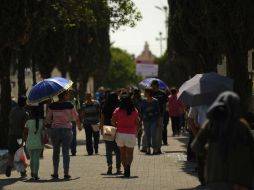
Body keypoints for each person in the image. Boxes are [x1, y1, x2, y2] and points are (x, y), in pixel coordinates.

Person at [192, 91, 254, 190]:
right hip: (239, 180)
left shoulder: (210, 125)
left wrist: (208, 153)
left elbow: (196, 147)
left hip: (215, 177)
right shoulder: (242, 126)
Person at [46, 90, 82, 179]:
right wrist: (79, 126)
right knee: (66, 152)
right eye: (67, 94)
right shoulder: (70, 105)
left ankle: (55, 173)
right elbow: (76, 117)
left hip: (55, 131)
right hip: (67, 130)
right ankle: (66, 173)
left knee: (56, 152)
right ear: (64, 95)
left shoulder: (52, 106)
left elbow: (48, 119)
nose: (69, 95)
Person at [112, 95, 139, 177]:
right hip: (131, 134)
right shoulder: (134, 110)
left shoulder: (117, 110)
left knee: (122, 153)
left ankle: (125, 170)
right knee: (130, 153)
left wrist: (117, 124)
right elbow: (137, 122)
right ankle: (128, 166)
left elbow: (113, 121)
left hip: (120, 134)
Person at [6, 95, 29, 178]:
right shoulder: (25, 113)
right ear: (25, 103)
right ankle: (22, 171)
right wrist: (25, 138)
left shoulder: (12, 110)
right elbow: (25, 127)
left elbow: (10, 121)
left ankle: (9, 165)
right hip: (20, 136)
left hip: (11, 134)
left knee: (11, 153)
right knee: (20, 154)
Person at [100, 91, 121, 175]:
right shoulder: (119, 105)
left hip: (107, 128)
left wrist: (101, 128)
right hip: (117, 128)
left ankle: (109, 166)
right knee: (117, 149)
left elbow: (102, 118)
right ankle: (118, 167)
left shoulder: (105, 105)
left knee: (108, 149)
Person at [187, 104, 209, 185]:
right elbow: (190, 118)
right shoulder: (197, 100)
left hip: (216, 131)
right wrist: (196, 135)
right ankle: (203, 180)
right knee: (201, 157)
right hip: (202, 130)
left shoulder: (217, 97)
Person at [23, 105, 44, 180]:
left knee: (32, 158)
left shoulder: (28, 122)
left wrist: (23, 141)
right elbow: (43, 131)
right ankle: (36, 174)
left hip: (29, 142)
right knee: (36, 159)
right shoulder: (41, 121)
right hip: (39, 142)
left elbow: (25, 132)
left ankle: (32, 172)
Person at [140, 87, 160, 154]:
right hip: (146, 120)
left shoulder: (155, 101)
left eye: (145, 92)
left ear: (149, 93)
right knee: (147, 134)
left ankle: (154, 148)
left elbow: (158, 111)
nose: (144, 94)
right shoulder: (143, 101)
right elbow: (141, 111)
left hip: (153, 120)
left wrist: (153, 113)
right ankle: (148, 148)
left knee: (153, 134)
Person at [150, 80, 168, 154]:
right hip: (151, 116)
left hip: (160, 116)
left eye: (153, 86)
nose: (152, 87)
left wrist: (162, 114)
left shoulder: (162, 93)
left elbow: (164, 105)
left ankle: (158, 148)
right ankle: (154, 148)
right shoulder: (150, 93)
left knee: (159, 132)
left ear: (157, 86)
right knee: (153, 133)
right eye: (152, 86)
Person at [69, 89, 81, 156]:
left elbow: (78, 112)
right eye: (69, 93)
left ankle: (73, 150)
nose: (70, 94)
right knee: (67, 136)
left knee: (73, 136)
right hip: (66, 121)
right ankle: (68, 148)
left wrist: (79, 123)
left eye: (71, 93)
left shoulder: (76, 101)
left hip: (73, 121)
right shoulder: (65, 101)